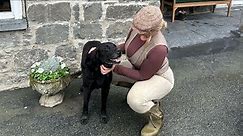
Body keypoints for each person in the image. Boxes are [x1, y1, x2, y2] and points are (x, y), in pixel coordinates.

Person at [100, 5, 174, 136]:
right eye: (139, 32)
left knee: (135, 100)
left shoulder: (159, 48)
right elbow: (126, 46)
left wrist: (116, 67)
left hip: (160, 77)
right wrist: (106, 50)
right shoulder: (137, 28)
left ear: (154, 31)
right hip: (140, 69)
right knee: (109, 73)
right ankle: (142, 93)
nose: (140, 35)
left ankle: (156, 117)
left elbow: (142, 75)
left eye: (145, 34)